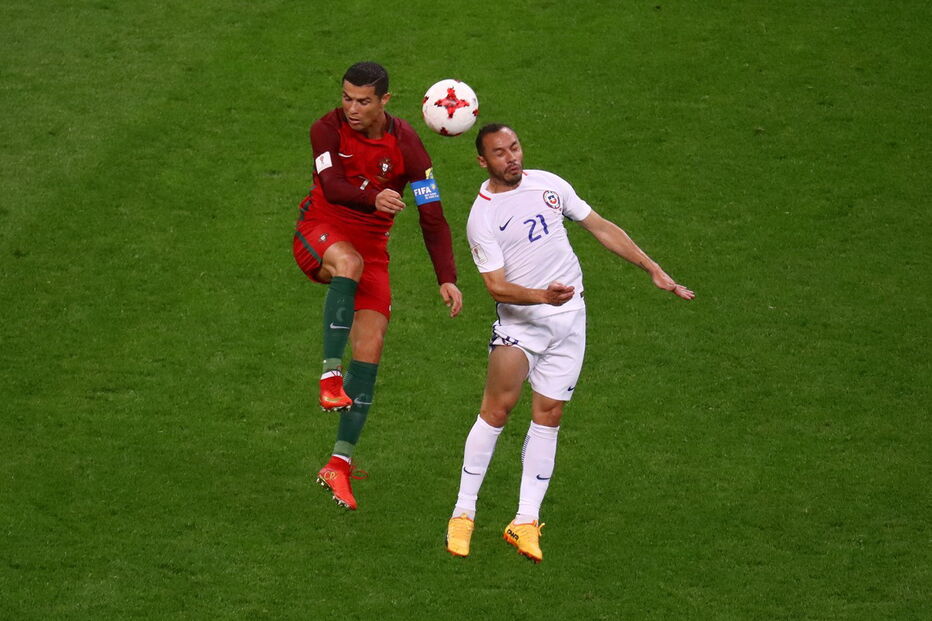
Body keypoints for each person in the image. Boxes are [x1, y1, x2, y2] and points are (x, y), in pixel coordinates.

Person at [445, 124, 694, 562]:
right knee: (497, 410)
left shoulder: (550, 184)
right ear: (482, 162)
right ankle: (463, 513)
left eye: (515, 147)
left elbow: (599, 226)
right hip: (520, 327)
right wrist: (543, 295)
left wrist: (651, 267)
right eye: (500, 153)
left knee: (550, 415)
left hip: (570, 322)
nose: (512, 158)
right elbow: (497, 288)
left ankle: (524, 521)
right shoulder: (481, 216)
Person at [293, 62, 463, 511]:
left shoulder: (409, 147)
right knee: (346, 261)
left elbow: (433, 216)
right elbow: (331, 186)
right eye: (347, 97)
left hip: (374, 253)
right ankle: (329, 376)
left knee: (371, 346)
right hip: (322, 231)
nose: (351, 108)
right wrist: (373, 196)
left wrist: (446, 277)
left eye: (362, 100)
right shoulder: (325, 130)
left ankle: (339, 464)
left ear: (385, 100)